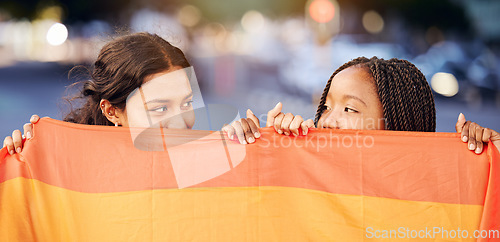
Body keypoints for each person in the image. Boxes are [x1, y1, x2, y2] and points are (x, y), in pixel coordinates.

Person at [3, 32, 258, 154]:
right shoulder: (70, 167)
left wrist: (267, 145)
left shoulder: (202, 159)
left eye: (187, 103)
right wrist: (21, 163)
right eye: (160, 108)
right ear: (112, 111)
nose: (181, 123)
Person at [225, 56, 500, 154]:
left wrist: (489, 155)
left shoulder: (434, 187)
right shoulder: (311, 168)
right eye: (326, 107)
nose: (327, 120)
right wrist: (267, 147)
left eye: (349, 109)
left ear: (395, 125)